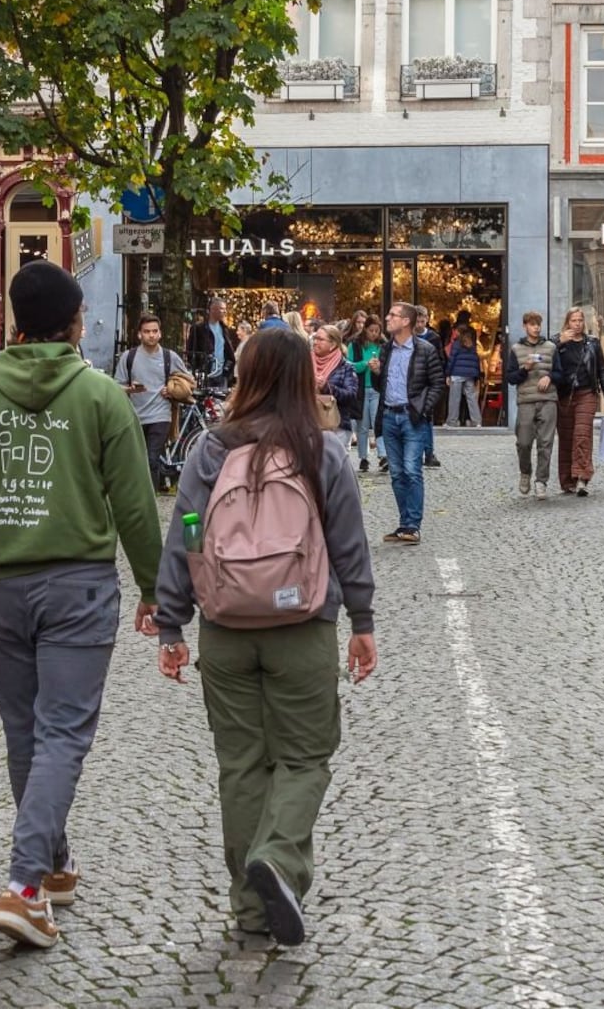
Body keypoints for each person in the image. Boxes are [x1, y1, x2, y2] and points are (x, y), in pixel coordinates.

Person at [0, 261, 163, 949]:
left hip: (4, 586)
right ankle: (24, 885)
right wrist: (156, 591)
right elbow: (137, 508)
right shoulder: (101, 396)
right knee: (62, 734)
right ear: (75, 321)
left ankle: (53, 866)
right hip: (80, 584)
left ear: (15, 322)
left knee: (27, 733)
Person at [155, 328, 376, 946]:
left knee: (242, 765)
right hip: (303, 626)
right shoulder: (322, 450)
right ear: (305, 377)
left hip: (226, 627)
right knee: (305, 756)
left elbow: (188, 534)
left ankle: (252, 911)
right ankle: (278, 858)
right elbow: (348, 545)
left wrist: (172, 622)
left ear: (246, 376)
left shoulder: (209, 451)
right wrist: (363, 622)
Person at [375, 302, 445, 544]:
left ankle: (413, 525)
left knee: (411, 470)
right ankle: (404, 524)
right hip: (389, 415)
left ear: (406, 321)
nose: (387, 318)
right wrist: (376, 374)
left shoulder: (424, 349)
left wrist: (423, 408)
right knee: (396, 474)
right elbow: (380, 386)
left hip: (411, 417)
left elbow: (438, 383)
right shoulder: (386, 350)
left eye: (392, 315)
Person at [117, 314, 189, 494]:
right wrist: (129, 389)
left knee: (152, 458)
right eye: (147, 332)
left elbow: (188, 381)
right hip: (135, 415)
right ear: (139, 334)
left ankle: (151, 496)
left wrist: (172, 389)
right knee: (136, 459)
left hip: (161, 415)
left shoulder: (169, 357)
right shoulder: (129, 357)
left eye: (154, 331)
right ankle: (137, 495)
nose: (151, 335)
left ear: (160, 333)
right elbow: (116, 385)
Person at [552, 307, 604, 497]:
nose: (577, 324)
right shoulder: (558, 341)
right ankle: (567, 481)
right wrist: (558, 342)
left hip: (586, 393)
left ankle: (581, 477)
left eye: (580, 320)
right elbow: (544, 354)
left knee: (582, 434)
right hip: (564, 396)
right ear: (567, 322)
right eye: (573, 320)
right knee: (566, 438)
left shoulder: (592, 344)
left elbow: (602, 371)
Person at [504, 312, 560, 497]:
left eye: (538, 324)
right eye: (532, 324)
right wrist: (524, 369)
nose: (536, 327)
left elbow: (561, 374)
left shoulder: (551, 347)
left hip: (548, 400)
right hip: (526, 401)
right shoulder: (516, 349)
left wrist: (550, 377)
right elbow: (511, 378)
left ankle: (541, 481)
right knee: (524, 442)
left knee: (546, 442)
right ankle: (525, 472)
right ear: (525, 326)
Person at [346, 318, 385, 473]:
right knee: (362, 424)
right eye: (371, 330)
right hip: (360, 389)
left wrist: (378, 367)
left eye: (377, 331)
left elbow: (386, 366)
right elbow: (349, 365)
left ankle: (383, 455)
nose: (374, 334)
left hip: (376, 389)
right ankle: (363, 457)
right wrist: (364, 364)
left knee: (378, 422)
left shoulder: (382, 345)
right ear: (365, 330)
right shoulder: (354, 345)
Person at [309, 323, 361, 436]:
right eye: (315, 338)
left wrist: (326, 387)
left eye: (320, 339)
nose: (315, 342)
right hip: (309, 425)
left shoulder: (346, 367)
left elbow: (351, 395)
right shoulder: (304, 363)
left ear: (332, 344)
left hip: (337, 427)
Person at [412, 308, 443, 468]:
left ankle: (429, 452)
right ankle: (416, 452)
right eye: (417, 321)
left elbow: (440, 359)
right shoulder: (407, 337)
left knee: (427, 417)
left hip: (428, 381)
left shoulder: (433, 338)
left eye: (422, 321)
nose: (419, 324)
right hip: (413, 382)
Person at [187, 298, 234, 388]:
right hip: (206, 374)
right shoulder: (199, 328)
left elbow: (228, 351)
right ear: (212, 309)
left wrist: (227, 370)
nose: (224, 311)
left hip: (221, 374)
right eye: (221, 309)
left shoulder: (224, 328)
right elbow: (191, 350)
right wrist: (199, 368)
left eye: (225, 309)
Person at [444, 324, 482, 428]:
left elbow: (452, 360)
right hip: (469, 375)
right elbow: (476, 360)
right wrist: (476, 375)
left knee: (454, 398)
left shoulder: (456, 344)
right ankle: (476, 421)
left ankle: (452, 421)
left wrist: (448, 374)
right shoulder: (472, 344)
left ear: (459, 332)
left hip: (457, 374)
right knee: (471, 398)